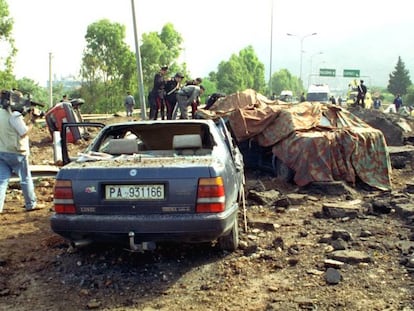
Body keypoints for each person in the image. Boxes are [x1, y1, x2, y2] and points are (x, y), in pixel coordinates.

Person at [0, 90, 38, 212]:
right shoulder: (15, 116)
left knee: (2, 181)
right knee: (25, 178)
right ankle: (31, 204)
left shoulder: (1, 113)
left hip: (2, 151)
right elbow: (23, 132)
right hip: (17, 152)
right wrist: (32, 121)